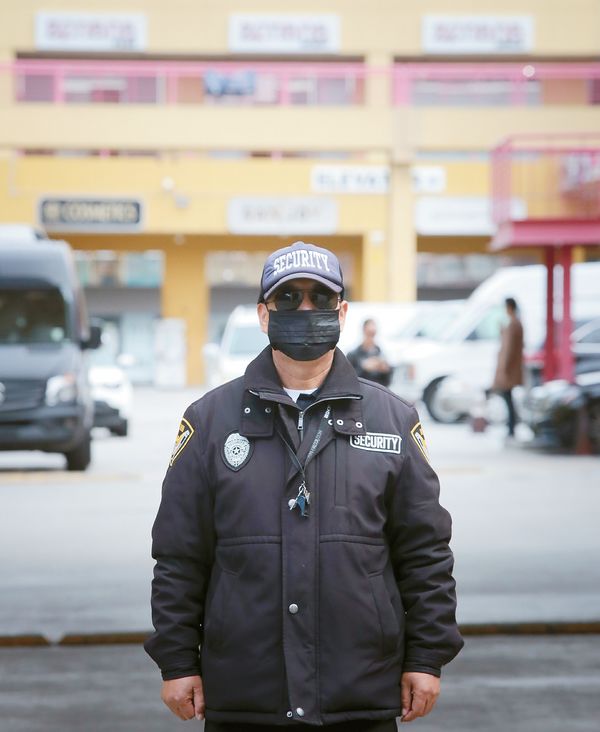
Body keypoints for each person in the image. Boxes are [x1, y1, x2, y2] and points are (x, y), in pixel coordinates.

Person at [144, 241, 463, 731]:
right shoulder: (209, 422)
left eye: (319, 297)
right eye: (288, 299)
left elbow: (425, 553)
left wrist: (426, 657)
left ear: (343, 311)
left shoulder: (393, 420)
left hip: (359, 692)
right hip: (244, 696)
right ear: (263, 314)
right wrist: (178, 661)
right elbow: (180, 555)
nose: (305, 309)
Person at [492, 297, 524, 438]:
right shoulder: (513, 324)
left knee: (508, 398)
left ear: (509, 308)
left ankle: (512, 426)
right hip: (509, 369)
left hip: (508, 370)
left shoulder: (514, 324)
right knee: (508, 398)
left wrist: (504, 370)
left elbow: (509, 349)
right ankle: (511, 426)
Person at [347, 318, 393, 387]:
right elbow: (348, 380)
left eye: (373, 333)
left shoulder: (381, 354)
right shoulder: (352, 355)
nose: (371, 337)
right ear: (363, 331)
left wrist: (385, 371)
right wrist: (364, 369)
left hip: (377, 394)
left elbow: (387, 382)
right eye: (369, 333)